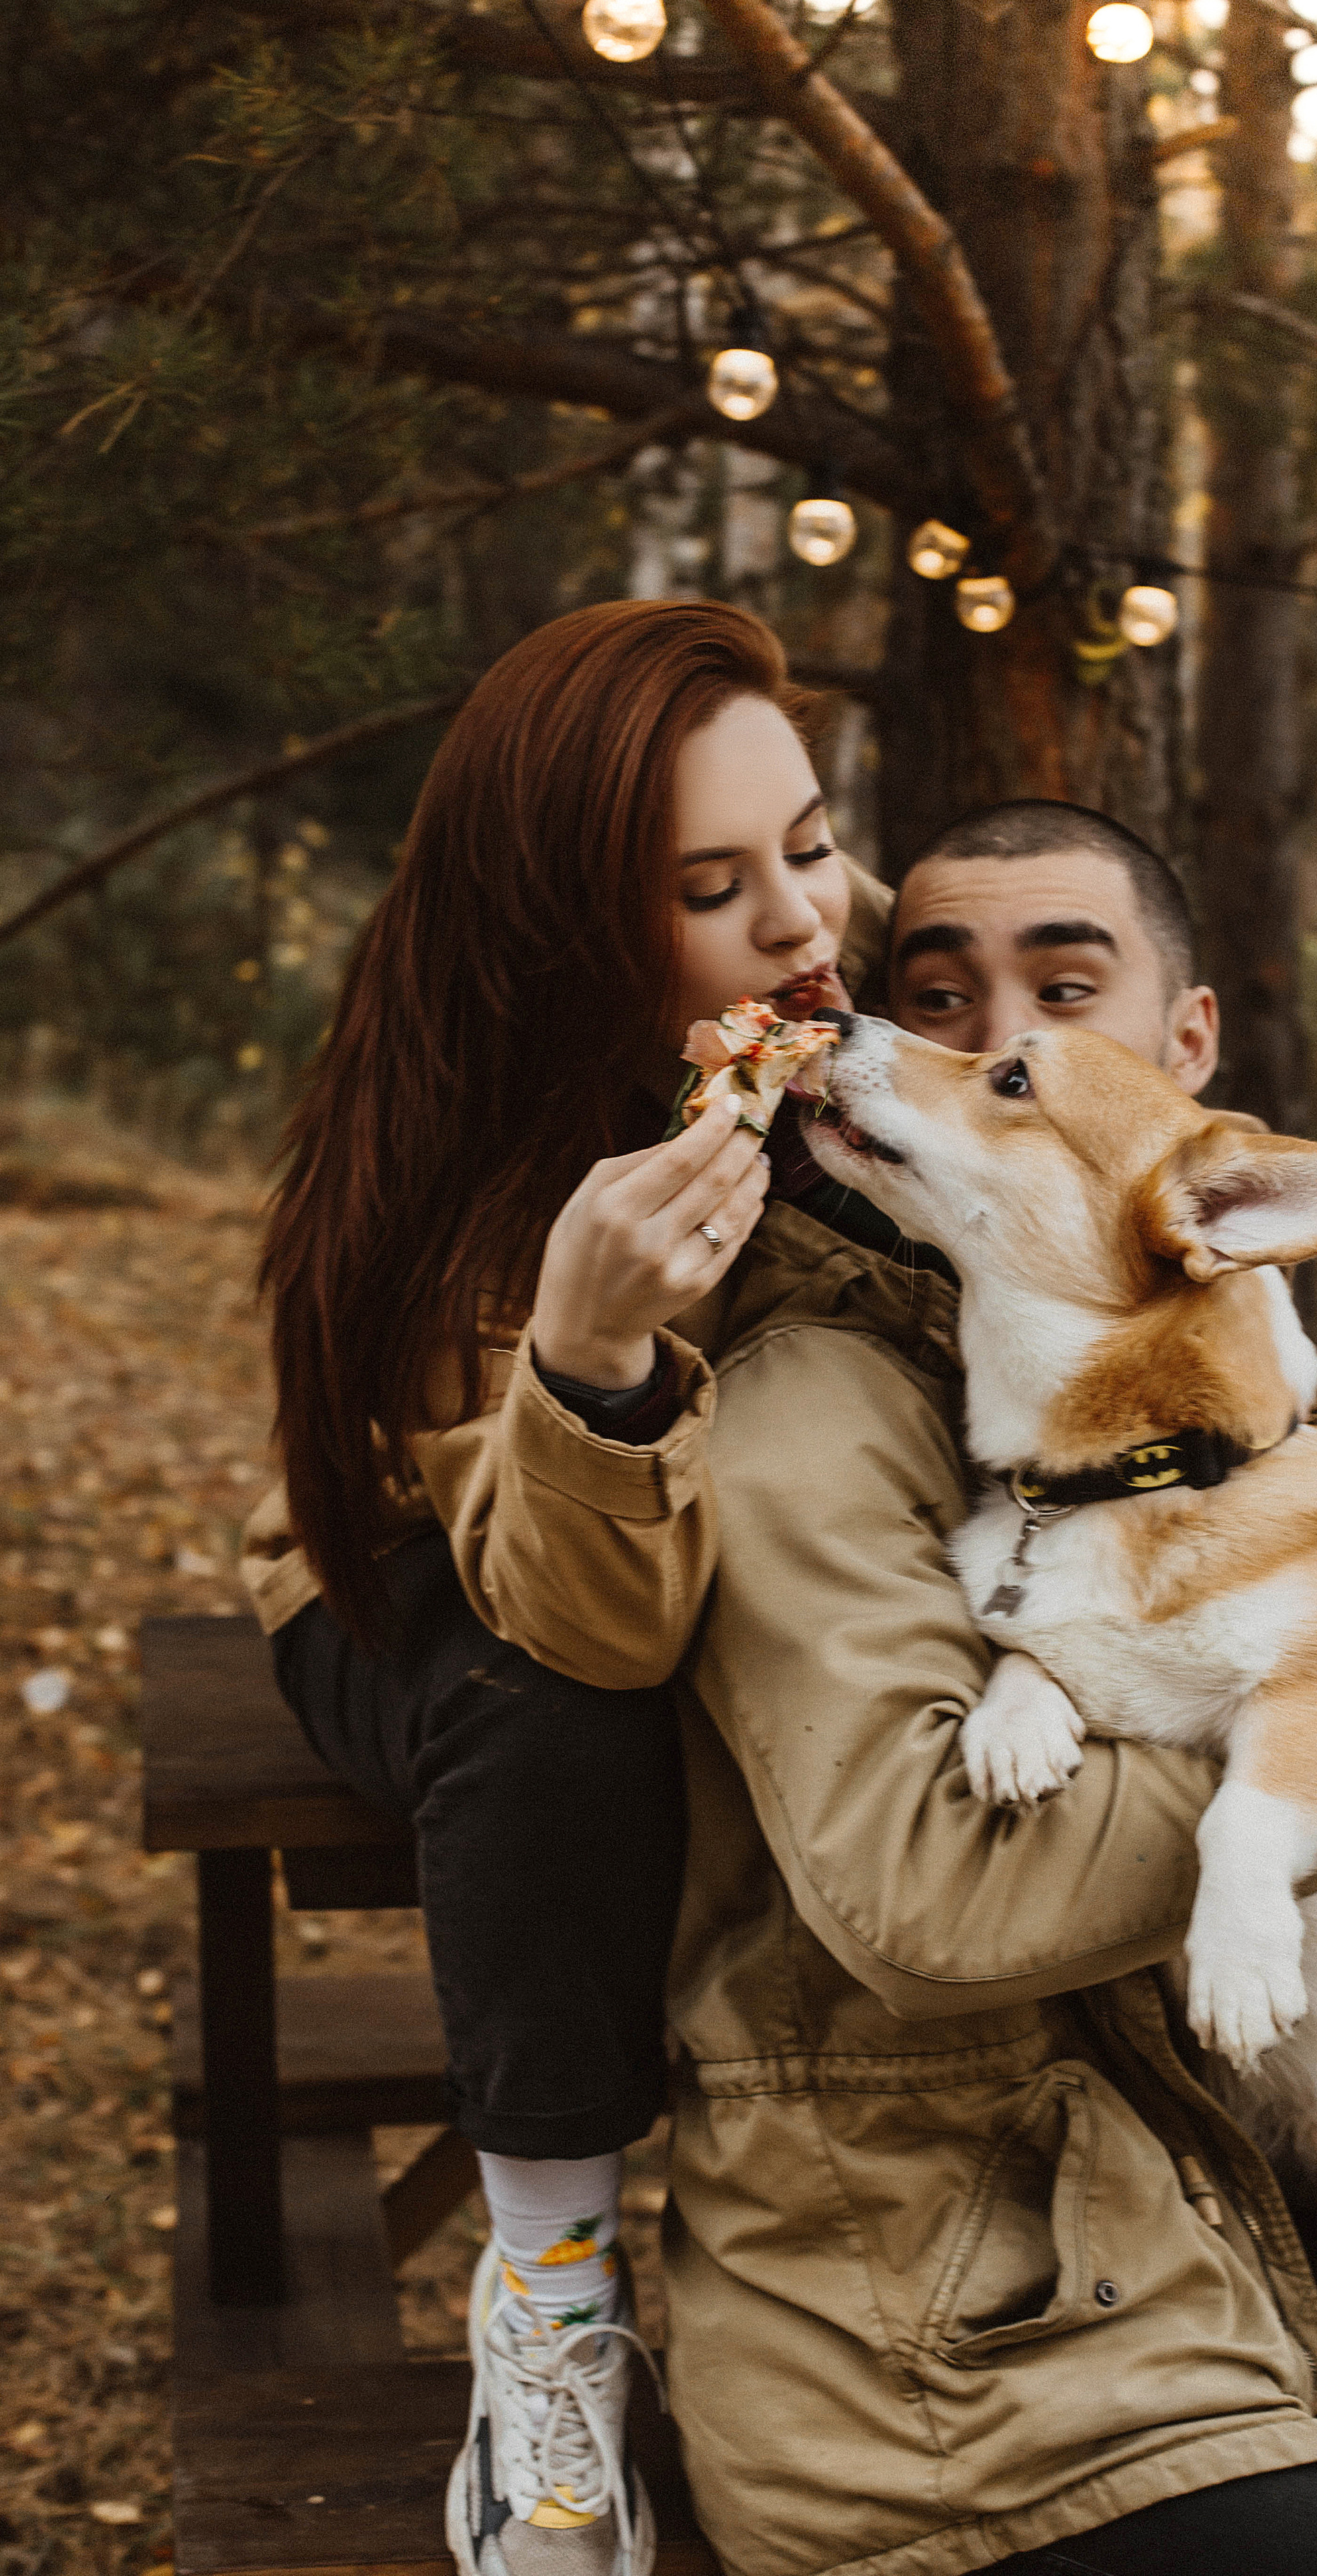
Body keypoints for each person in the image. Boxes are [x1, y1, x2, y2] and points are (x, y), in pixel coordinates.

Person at [629, 799, 1317, 2576]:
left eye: (1062, 995)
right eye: (938, 999)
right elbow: (935, 1899)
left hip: (1261, 2227)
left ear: (1186, 1042)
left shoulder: (1233, 1358)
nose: (989, 1034)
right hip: (978, 2344)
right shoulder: (811, 1401)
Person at [242, 598, 892, 2576]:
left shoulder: (853, 1013)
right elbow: (586, 1622)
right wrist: (592, 1358)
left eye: (810, 842)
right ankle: (553, 2292)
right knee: (551, 1719)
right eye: (709, 890)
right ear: (565, 930)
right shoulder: (476, 1167)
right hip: (417, 1590)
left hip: (716, 1569)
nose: (799, 919)